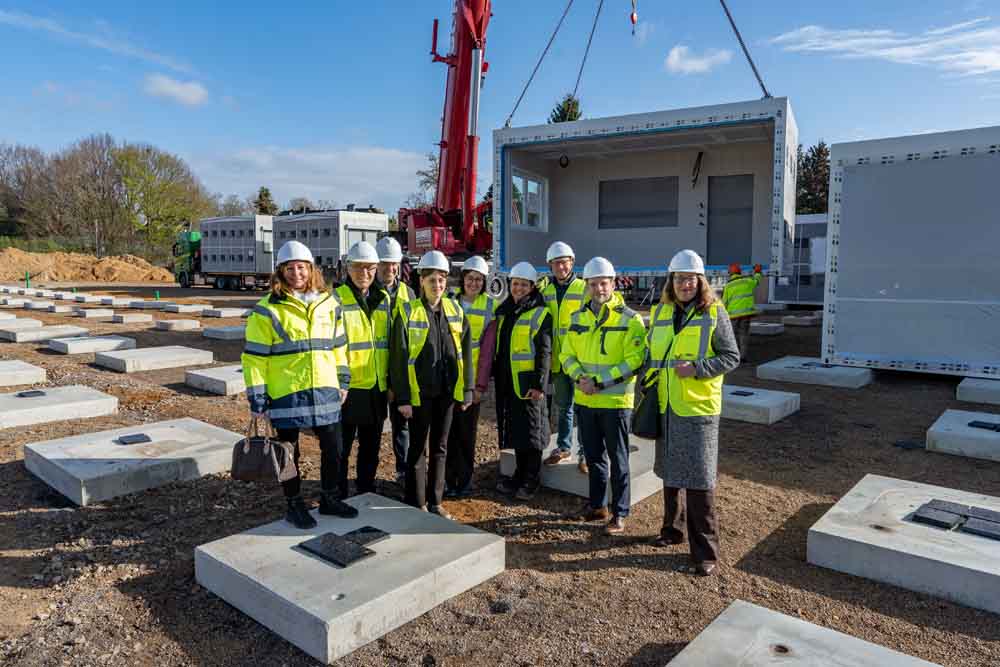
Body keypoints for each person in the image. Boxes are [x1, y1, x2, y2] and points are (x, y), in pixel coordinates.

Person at [242, 240, 358, 529]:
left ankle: (329, 498)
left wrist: (343, 380)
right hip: (287, 393)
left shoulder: (330, 303)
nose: (297, 273)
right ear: (280, 272)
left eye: (302, 267)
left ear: (311, 269)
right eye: (290, 268)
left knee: (335, 448)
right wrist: (258, 399)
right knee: (288, 452)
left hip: (325, 389)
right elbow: (254, 358)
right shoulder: (267, 309)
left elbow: (339, 346)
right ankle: (294, 504)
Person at [647, 249, 740, 576]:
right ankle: (671, 530)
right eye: (679, 278)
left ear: (700, 281)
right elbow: (652, 354)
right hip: (667, 405)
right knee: (671, 474)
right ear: (670, 281)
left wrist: (699, 368)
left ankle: (706, 553)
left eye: (690, 279)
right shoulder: (660, 312)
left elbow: (731, 357)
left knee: (699, 482)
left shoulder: (714, 312)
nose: (684, 284)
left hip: (698, 408)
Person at [559, 257, 646, 535]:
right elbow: (566, 354)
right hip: (585, 401)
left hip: (615, 403)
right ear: (587, 285)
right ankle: (597, 506)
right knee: (594, 457)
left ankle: (620, 512)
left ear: (613, 283)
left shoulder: (631, 320)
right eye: (593, 284)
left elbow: (635, 360)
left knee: (618, 459)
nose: (599, 289)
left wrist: (599, 381)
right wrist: (579, 378)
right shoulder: (578, 318)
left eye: (603, 283)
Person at [389, 250, 473, 519]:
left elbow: (466, 353)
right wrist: (403, 398)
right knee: (417, 448)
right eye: (431, 280)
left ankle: (436, 501)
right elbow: (399, 356)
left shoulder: (455, 310)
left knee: (440, 447)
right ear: (421, 281)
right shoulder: (407, 312)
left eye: (441, 280)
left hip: (447, 393)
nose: (437, 285)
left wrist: (467, 389)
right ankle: (417, 502)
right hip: (419, 393)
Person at [479, 261, 552, 500]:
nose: (518, 288)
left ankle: (531, 480)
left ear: (532, 287)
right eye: (515, 284)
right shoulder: (506, 310)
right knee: (518, 430)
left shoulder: (540, 313)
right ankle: (520, 475)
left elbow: (544, 352)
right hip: (508, 381)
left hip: (528, 383)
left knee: (532, 431)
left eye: (523, 285)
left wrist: (538, 385)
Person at [336, 241, 391, 498]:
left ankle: (365, 488)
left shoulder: (384, 300)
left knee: (371, 445)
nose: (365, 274)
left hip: (376, 387)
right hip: (348, 389)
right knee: (342, 446)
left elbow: (388, 343)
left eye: (370, 268)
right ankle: (338, 491)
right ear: (348, 269)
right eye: (359, 268)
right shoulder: (336, 299)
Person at [444, 255, 495, 498]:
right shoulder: (448, 301)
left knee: (466, 435)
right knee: (446, 433)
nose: (473, 283)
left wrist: (479, 386)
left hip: (471, 382)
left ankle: (463, 481)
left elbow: (486, 354)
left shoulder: (489, 307)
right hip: (449, 380)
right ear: (462, 279)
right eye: (470, 278)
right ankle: (446, 479)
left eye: (478, 279)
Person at [540, 241, 589, 474]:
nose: (560, 267)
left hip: (579, 360)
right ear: (550, 265)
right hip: (558, 361)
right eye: (556, 263)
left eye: (564, 262)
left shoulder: (583, 288)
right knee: (564, 407)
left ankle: (586, 453)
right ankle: (563, 447)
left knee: (584, 408)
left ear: (572, 262)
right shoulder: (545, 290)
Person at [376, 236, 416, 486]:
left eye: (394, 264)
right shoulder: (368, 291)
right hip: (374, 372)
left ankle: (404, 470)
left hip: (401, 371)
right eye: (385, 264)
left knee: (402, 425)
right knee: (371, 428)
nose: (390, 269)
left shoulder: (408, 292)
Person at [722, 263, 763, 362]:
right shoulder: (747, 281)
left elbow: (724, 303)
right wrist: (757, 271)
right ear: (740, 272)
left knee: (732, 335)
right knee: (743, 334)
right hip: (746, 314)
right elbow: (757, 280)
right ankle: (743, 356)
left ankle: (733, 355)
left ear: (730, 274)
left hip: (733, 316)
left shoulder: (728, 286)